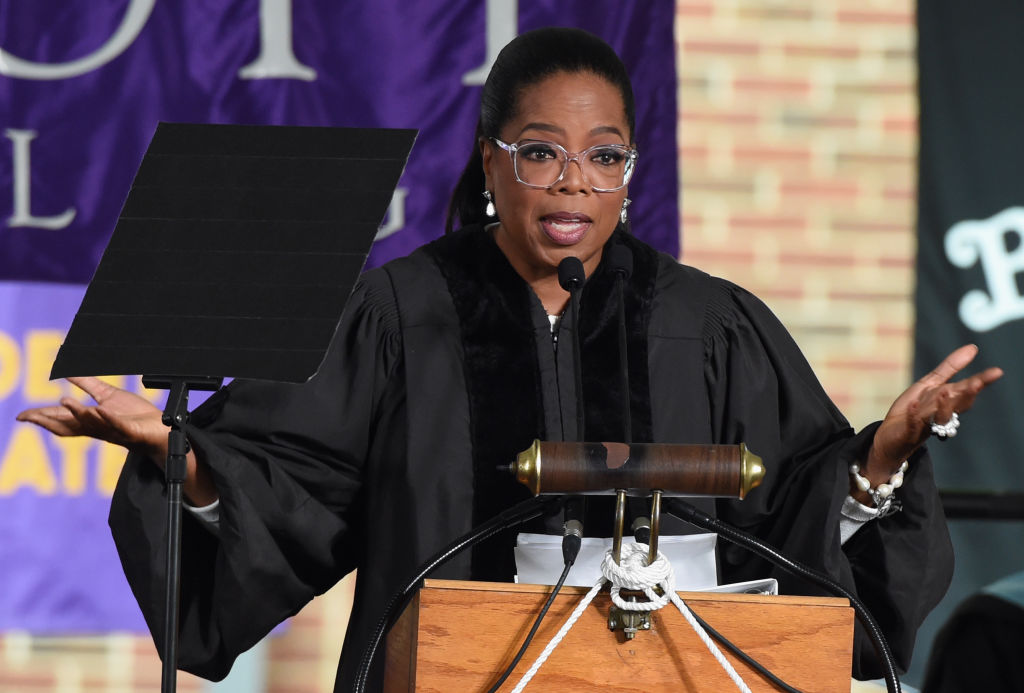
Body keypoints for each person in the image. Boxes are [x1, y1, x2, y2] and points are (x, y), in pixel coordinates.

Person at [17, 27, 1002, 692]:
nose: (573, 178)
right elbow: (294, 491)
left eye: (603, 155)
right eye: (541, 150)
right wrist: (177, 455)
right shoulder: (401, 314)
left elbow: (792, 517)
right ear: (491, 161)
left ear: (628, 175)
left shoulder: (706, 324)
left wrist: (878, 463)